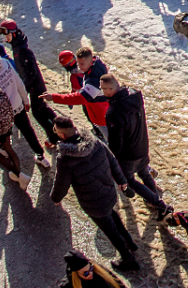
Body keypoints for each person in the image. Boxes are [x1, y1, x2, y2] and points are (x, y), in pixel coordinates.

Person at [48, 115, 141, 276]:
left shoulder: (65, 159)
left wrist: (55, 199)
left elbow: (61, 184)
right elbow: (112, 160)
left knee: (111, 230)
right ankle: (131, 244)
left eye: (55, 130)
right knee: (113, 216)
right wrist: (121, 181)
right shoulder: (94, 141)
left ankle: (128, 258)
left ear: (62, 135)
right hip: (109, 192)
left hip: (93, 203)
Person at [98, 73, 171, 218]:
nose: (102, 92)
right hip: (142, 145)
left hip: (128, 155)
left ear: (109, 90)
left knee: (130, 181)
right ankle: (154, 197)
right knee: (144, 172)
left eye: (103, 89)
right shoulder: (134, 97)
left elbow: (115, 142)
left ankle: (159, 204)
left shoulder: (113, 112)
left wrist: (113, 159)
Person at [0, 37, 45, 161]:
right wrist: (26, 100)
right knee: (28, 130)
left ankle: (8, 156)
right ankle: (40, 155)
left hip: (4, 110)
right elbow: (18, 82)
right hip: (17, 103)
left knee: (4, 135)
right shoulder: (4, 62)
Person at [0, 19, 56, 136]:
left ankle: (54, 136)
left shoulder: (22, 50)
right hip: (33, 86)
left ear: (13, 33)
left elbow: (31, 73)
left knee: (38, 113)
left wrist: (24, 88)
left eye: (7, 34)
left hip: (35, 87)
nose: (6, 37)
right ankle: (60, 128)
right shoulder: (17, 47)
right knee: (43, 109)